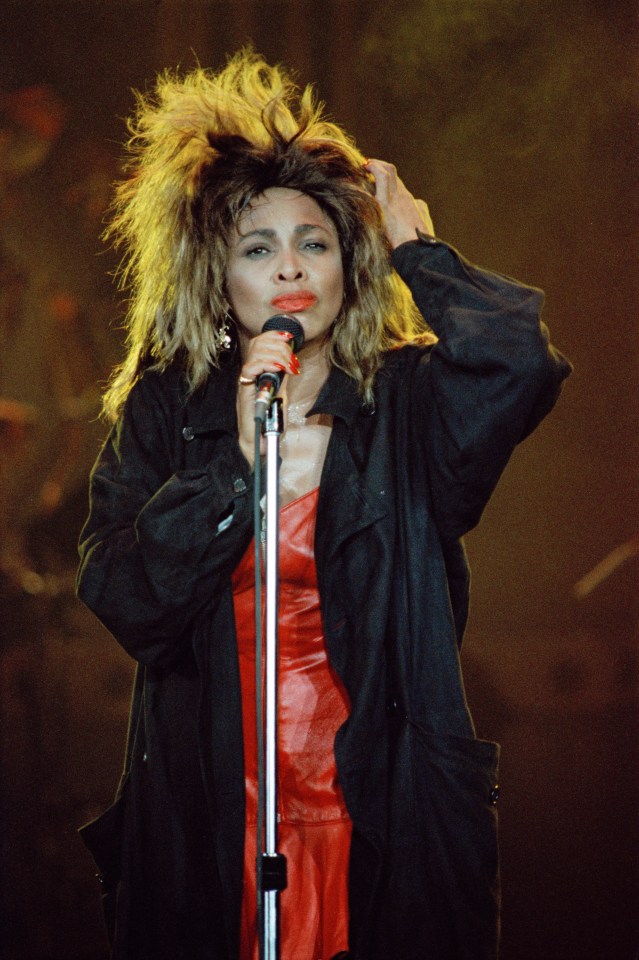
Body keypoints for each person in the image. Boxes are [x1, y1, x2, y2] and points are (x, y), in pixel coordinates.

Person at [76, 50, 571, 960]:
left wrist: (414, 243)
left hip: (379, 807)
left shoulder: (406, 404)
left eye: (315, 241)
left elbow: (518, 364)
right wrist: (231, 459)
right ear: (219, 282)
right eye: (257, 248)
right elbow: (126, 600)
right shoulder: (166, 410)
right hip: (215, 814)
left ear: (352, 263)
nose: (290, 268)